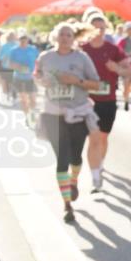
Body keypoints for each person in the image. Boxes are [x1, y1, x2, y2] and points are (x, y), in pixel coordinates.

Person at [35, 22, 103, 224]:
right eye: (62, 34)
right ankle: (67, 205)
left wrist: (77, 82)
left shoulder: (81, 58)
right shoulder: (45, 57)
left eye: (69, 35)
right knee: (61, 161)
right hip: (53, 114)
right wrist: (43, 82)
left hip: (78, 114)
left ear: (74, 38)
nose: (65, 38)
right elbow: (36, 76)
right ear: (55, 37)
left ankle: (73, 181)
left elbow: (97, 83)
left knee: (75, 158)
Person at [80, 14, 131, 192]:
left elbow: (128, 72)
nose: (99, 31)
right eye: (95, 27)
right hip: (87, 101)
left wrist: (116, 68)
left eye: (102, 28)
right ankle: (95, 174)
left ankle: (100, 164)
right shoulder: (81, 50)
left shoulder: (113, 49)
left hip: (108, 100)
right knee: (93, 138)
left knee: (103, 137)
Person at [8, 33, 41, 127]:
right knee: (23, 99)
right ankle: (27, 116)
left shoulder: (33, 49)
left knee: (33, 99)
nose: (23, 42)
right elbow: (10, 64)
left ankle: (32, 114)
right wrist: (19, 67)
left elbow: (39, 60)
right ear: (19, 40)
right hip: (19, 77)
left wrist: (38, 71)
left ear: (27, 40)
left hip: (31, 78)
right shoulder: (14, 51)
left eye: (25, 40)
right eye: (21, 40)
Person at [0, 31, 20, 104]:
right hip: (6, 67)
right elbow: (0, 57)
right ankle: (8, 95)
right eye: (10, 36)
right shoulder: (4, 46)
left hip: (14, 67)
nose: (12, 37)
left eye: (12, 36)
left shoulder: (17, 45)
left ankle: (14, 96)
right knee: (7, 82)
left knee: (12, 82)